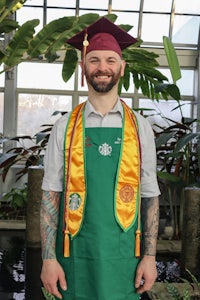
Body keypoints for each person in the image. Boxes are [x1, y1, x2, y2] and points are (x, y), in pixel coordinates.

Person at [40, 16, 160, 300]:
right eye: (93, 60)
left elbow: (150, 195)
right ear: (84, 68)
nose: (102, 68)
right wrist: (47, 259)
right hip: (74, 255)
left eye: (110, 60)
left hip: (125, 256)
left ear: (122, 67)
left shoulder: (140, 127)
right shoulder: (65, 126)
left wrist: (151, 257)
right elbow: (50, 194)